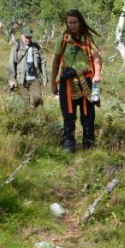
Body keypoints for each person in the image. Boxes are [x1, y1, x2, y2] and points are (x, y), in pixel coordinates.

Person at [50, 9, 102, 152]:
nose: (72, 25)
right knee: (68, 114)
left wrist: (97, 74)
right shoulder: (62, 40)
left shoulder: (88, 39)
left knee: (88, 114)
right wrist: (53, 82)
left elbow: (96, 58)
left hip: (87, 80)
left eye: (74, 22)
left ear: (80, 22)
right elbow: (55, 62)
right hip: (67, 82)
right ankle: (69, 144)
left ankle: (88, 144)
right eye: (69, 23)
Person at [8, 25, 44, 106]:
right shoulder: (16, 48)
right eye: (26, 37)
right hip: (21, 79)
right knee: (24, 99)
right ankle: (28, 111)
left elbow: (42, 62)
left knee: (37, 97)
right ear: (22, 36)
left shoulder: (36, 47)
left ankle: (31, 109)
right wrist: (12, 79)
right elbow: (11, 64)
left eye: (30, 37)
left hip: (34, 78)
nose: (28, 39)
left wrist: (44, 77)